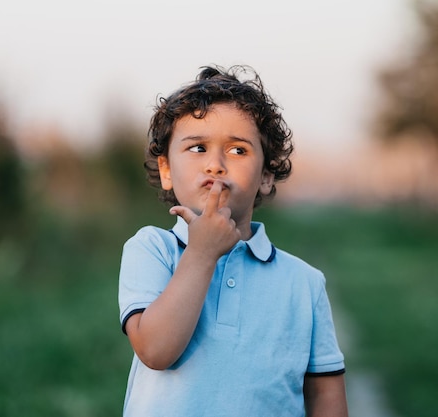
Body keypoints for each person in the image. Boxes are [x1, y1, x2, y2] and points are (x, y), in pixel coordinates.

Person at [118, 64, 348, 417]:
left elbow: (325, 396)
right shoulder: (151, 250)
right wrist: (202, 252)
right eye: (197, 148)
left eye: (238, 151)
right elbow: (155, 350)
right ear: (166, 171)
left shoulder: (304, 283)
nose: (215, 164)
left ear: (267, 177)